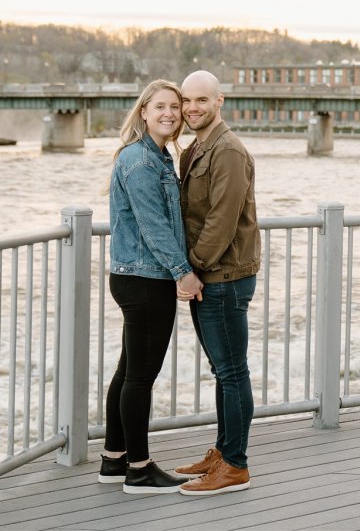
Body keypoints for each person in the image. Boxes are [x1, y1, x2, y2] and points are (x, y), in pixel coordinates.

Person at [100, 79, 204, 494]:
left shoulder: (157, 156)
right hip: (146, 279)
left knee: (129, 370)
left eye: (175, 107)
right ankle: (139, 469)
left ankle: (113, 458)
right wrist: (183, 271)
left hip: (137, 276)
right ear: (143, 111)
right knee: (141, 376)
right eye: (160, 106)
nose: (170, 113)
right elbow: (153, 225)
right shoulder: (141, 161)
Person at [175, 70, 261, 496]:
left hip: (223, 276)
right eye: (187, 100)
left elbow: (221, 221)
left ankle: (236, 465)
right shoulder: (198, 147)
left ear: (219, 101)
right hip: (210, 276)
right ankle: (222, 452)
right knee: (222, 371)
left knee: (231, 372)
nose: (192, 108)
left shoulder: (226, 151)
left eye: (201, 100)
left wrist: (189, 270)